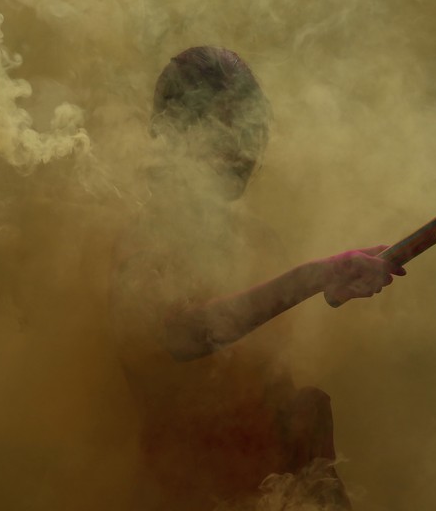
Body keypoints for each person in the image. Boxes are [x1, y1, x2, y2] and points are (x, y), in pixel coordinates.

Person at [110, 46, 405, 510]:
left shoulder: (258, 242)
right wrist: (313, 277)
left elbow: (275, 403)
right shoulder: (144, 238)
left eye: (253, 127)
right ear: (174, 131)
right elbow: (181, 336)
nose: (246, 150)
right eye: (226, 128)